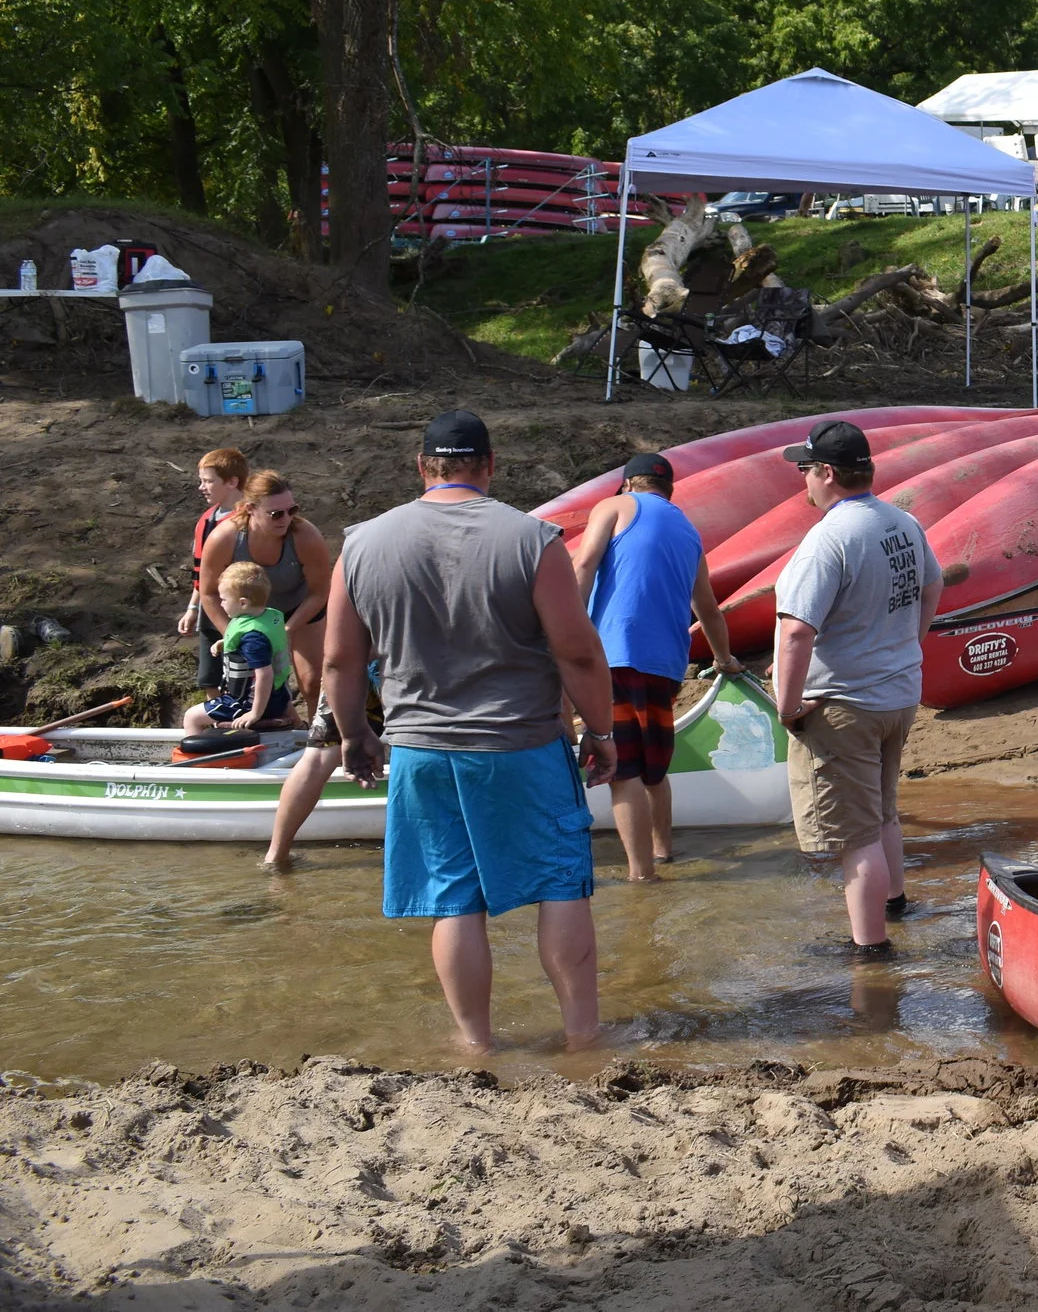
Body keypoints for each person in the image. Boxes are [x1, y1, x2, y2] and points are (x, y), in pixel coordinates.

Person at [322, 410, 617, 1053]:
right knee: (559, 883)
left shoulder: (362, 544)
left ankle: (475, 1045)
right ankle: (583, 1038)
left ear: (421, 467)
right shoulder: (532, 539)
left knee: (452, 897)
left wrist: (353, 734)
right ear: (490, 464)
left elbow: (341, 659)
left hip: (421, 750)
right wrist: (601, 730)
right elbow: (578, 653)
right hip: (522, 745)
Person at [771, 420, 942, 959]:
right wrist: (907, 645)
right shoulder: (903, 521)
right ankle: (895, 903)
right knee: (883, 811)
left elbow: (796, 629)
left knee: (855, 836)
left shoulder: (829, 537)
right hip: (897, 694)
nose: (803, 482)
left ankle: (870, 950)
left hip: (845, 704)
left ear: (826, 473)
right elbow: (931, 584)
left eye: (805, 470)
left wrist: (787, 704)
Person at [570, 451, 743, 883]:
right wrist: (725, 660)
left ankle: (641, 877)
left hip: (614, 654)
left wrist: (566, 629)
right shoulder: (689, 531)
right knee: (653, 769)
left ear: (629, 484)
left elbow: (585, 563)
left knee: (620, 769)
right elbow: (708, 609)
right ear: (669, 490)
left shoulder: (613, 506)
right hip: (666, 663)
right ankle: (664, 853)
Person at [199, 470, 332, 713]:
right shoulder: (224, 538)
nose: (286, 519)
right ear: (250, 508)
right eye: (276, 513)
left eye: (292, 510)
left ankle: (318, 739)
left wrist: (287, 630)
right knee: (250, 683)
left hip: (298, 608)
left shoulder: (306, 536)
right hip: (248, 615)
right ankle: (273, 727)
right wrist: (233, 633)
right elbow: (208, 593)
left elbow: (320, 592)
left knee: (313, 682)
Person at [184, 562, 290, 734]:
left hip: (247, 703)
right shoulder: (267, 616)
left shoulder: (253, 638)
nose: (221, 603)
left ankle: (197, 761)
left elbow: (264, 674)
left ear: (242, 603)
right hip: (280, 697)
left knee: (191, 717)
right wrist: (225, 643)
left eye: (224, 599)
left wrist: (254, 713)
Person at [180, 448, 248, 695]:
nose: (202, 487)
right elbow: (201, 574)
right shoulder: (206, 519)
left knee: (244, 676)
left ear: (232, 482)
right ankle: (218, 722)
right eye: (201, 481)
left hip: (242, 609)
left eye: (208, 481)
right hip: (211, 611)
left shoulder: (250, 518)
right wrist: (192, 608)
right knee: (211, 678)